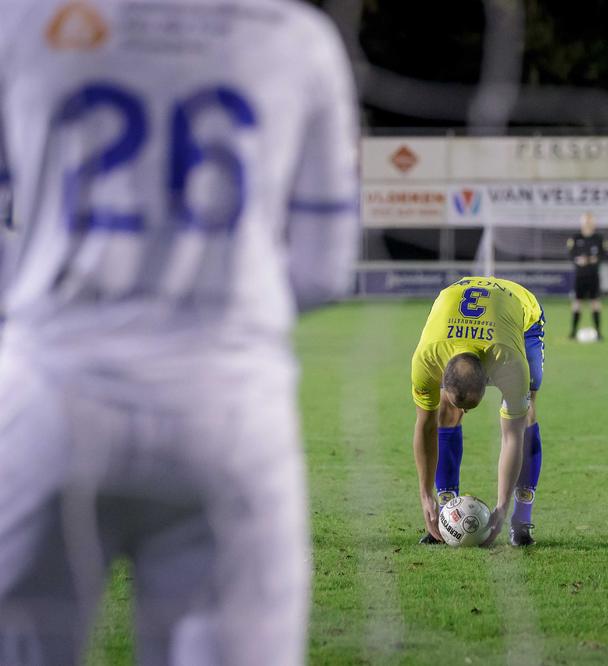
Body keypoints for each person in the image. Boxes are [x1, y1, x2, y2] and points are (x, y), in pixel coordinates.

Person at [0, 1, 360, 663]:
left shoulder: (20, 21)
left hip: (49, 399)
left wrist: (38, 305)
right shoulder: (297, 37)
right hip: (228, 411)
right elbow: (324, 268)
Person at [412, 276, 545, 547]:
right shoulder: (427, 358)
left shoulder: (508, 362)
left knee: (526, 412)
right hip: (456, 313)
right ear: (441, 378)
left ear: (489, 381)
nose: (467, 412)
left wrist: (502, 506)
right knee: (445, 414)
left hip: (521, 313)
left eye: (471, 406)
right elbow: (425, 425)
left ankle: (521, 518)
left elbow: (513, 437)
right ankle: (447, 509)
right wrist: (425, 494)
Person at [567, 212, 608, 340]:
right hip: (580, 276)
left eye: (590, 221)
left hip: (593, 276)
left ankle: (598, 333)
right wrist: (578, 260)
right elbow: (571, 255)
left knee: (595, 302)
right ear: (582, 223)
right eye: (586, 221)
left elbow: (603, 255)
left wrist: (593, 260)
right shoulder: (575, 238)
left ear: (594, 223)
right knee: (577, 302)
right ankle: (573, 332)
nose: (588, 223)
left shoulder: (599, 239)